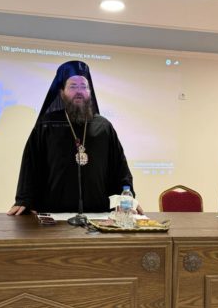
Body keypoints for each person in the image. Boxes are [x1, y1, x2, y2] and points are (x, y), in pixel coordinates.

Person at [8, 60, 139, 215]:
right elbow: (31, 165)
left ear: (90, 92)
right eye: (73, 86)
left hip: (99, 215)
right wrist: (24, 199)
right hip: (53, 215)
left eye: (84, 86)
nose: (79, 91)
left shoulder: (104, 126)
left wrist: (127, 199)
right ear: (61, 92)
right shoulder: (46, 125)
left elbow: (120, 168)